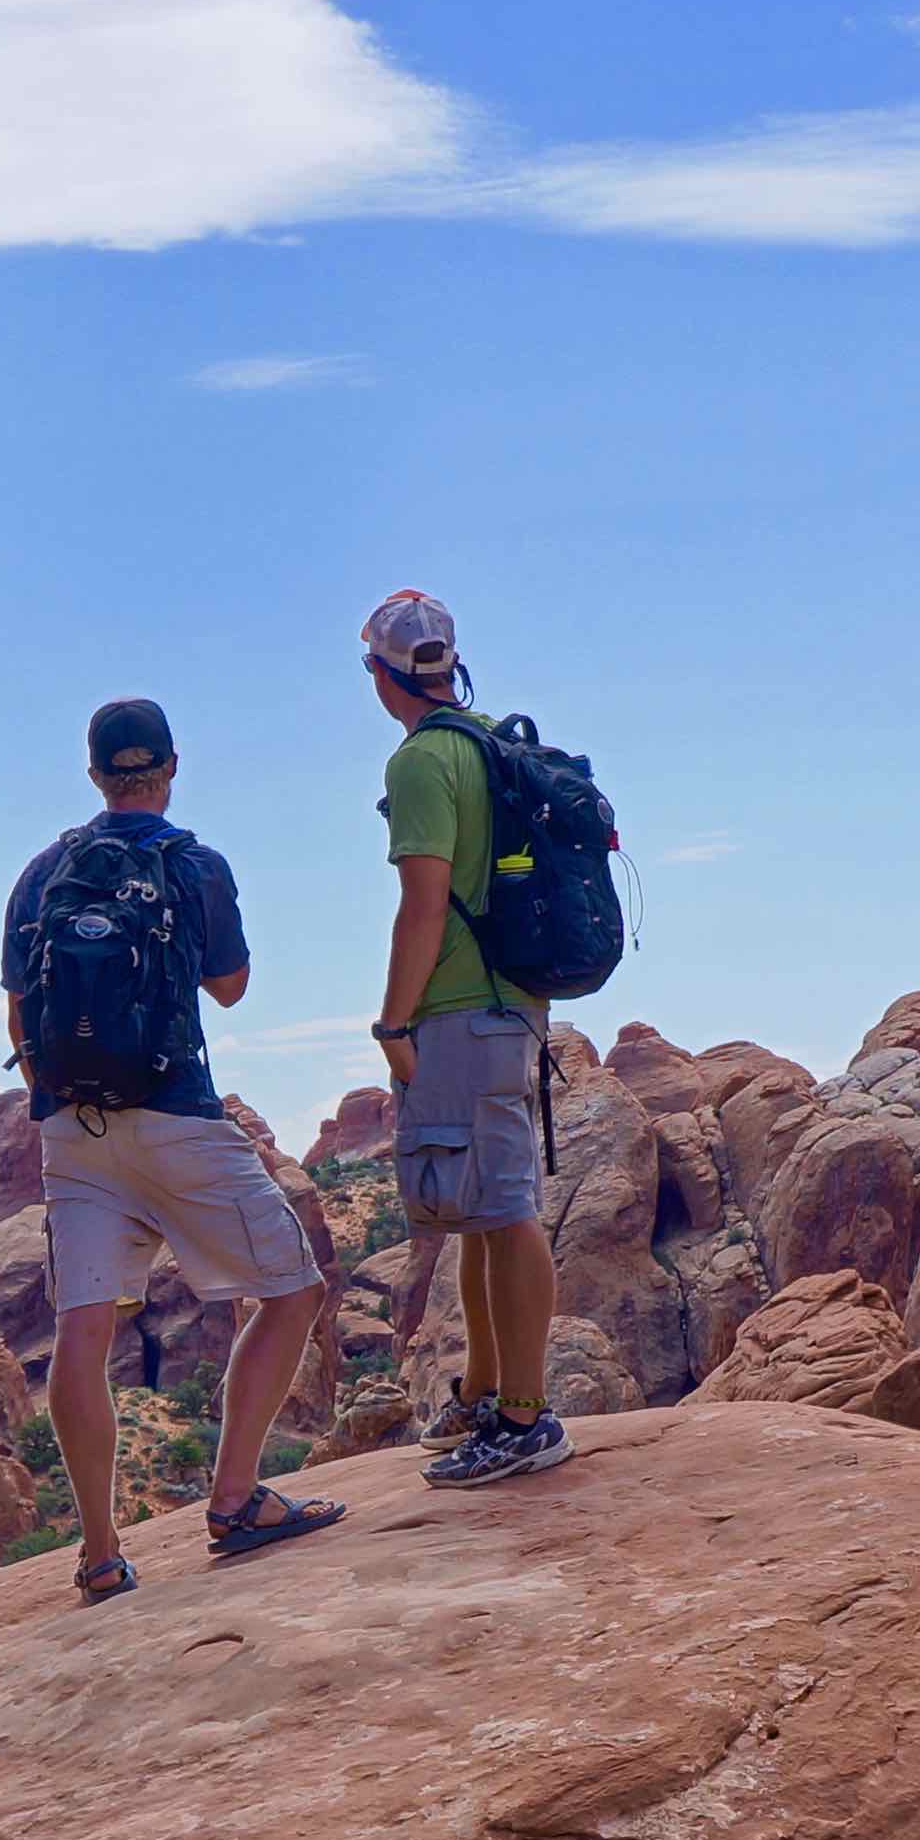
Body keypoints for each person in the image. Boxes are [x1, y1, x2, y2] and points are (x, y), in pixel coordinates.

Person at [2, 695, 343, 1602]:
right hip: (178, 1113)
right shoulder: (194, 863)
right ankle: (235, 1501)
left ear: (92, 774)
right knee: (294, 1289)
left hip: (70, 1126)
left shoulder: (42, 873)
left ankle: (100, 1556)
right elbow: (230, 987)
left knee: (85, 1329)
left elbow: (17, 1014)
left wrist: (64, 1100)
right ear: (172, 768)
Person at [361, 589, 568, 1487]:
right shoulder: (488, 742)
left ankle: (525, 1417)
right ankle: (487, 1393)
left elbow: (423, 900)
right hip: (512, 1000)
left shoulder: (422, 764)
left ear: (381, 675)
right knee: (483, 1210)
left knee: (505, 1209)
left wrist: (392, 1020)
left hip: (458, 1007)